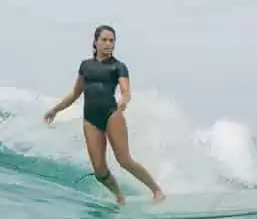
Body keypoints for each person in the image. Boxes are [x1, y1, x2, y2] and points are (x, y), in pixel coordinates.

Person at [43, 25, 166, 205]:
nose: (108, 44)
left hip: (112, 114)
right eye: (104, 40)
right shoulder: (85, 66)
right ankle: (120, 197)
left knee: (124, 160)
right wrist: (55, 110)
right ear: (95, 42)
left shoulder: (118, 66)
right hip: (90, 119)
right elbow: (75, 93)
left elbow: (126, 90)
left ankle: (157, 191)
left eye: (112, 40)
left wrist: (124, 100)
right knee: (99, 171)